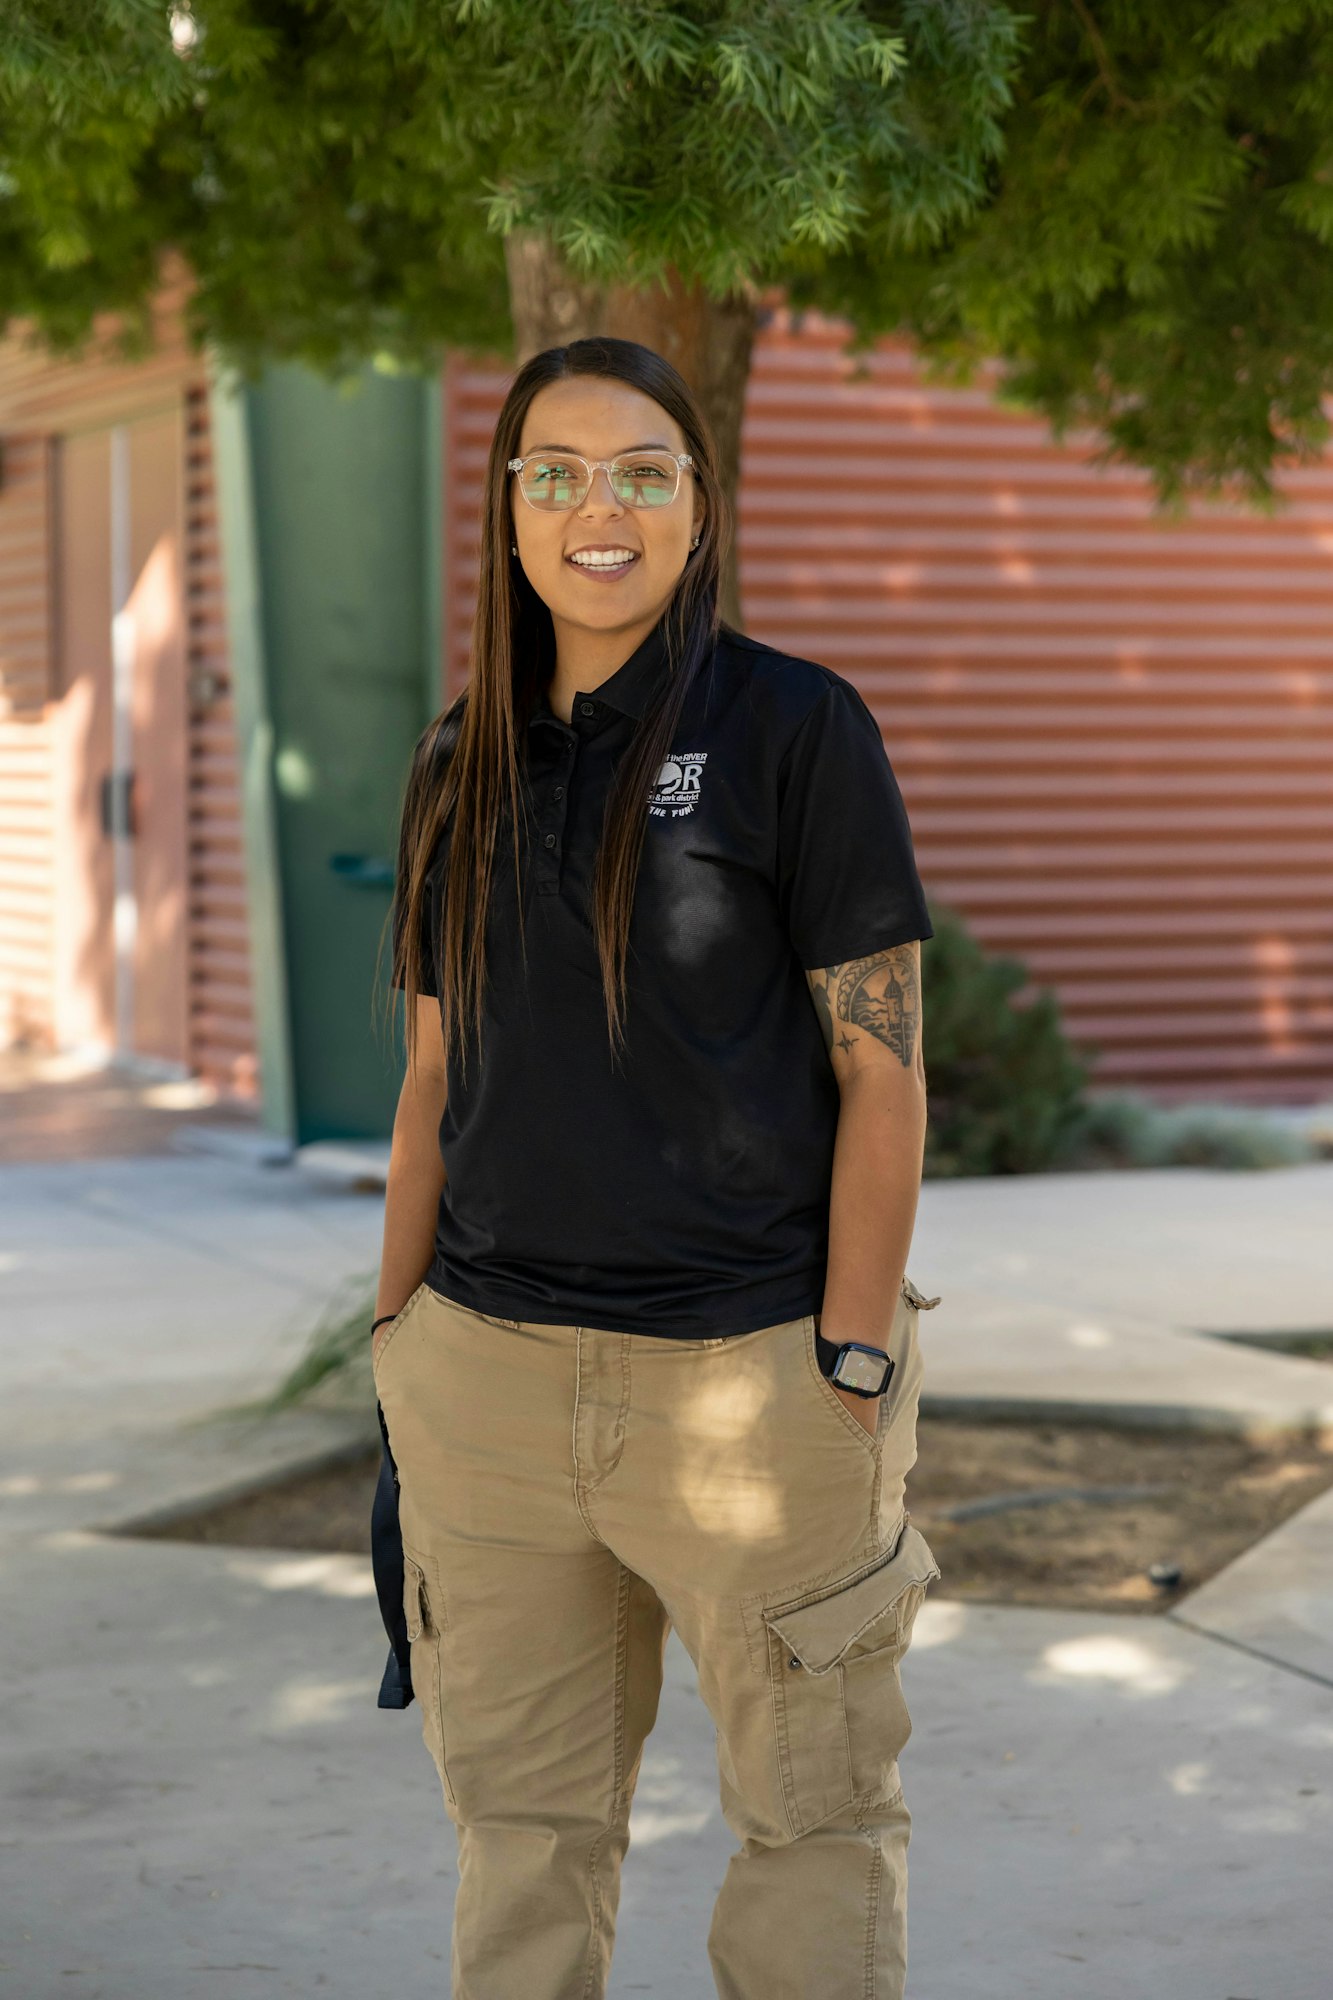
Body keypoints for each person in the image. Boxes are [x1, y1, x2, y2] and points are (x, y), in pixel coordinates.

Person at [370, 333, 942, 2000]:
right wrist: (400, 1349)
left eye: (640, 472)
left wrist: (846, 1353)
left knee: (811, 1828)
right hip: (485, 1383)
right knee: (522, 1836)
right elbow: (428, 1082)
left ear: (697, 510)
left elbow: (883, 1070)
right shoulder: (452, 760)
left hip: (753, 1378)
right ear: (509, 510)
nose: (593, 508)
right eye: (553, 471)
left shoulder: (795, 728)